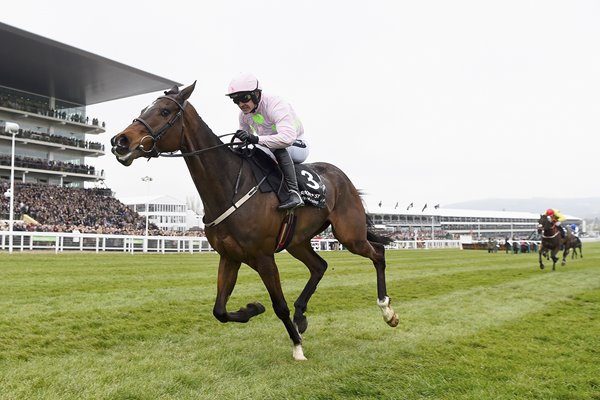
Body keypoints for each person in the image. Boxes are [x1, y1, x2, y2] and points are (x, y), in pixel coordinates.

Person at [227, 73, 309, 210]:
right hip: (270, 145)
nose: (241, 104)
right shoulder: (243, 116)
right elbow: (242, 139)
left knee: (275, 147)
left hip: (297, 145)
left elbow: (287, 138)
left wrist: (256, 139)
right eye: (236, 100)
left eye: (245, 98)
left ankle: (295, 193)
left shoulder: (275, 104)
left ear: (257, 94)